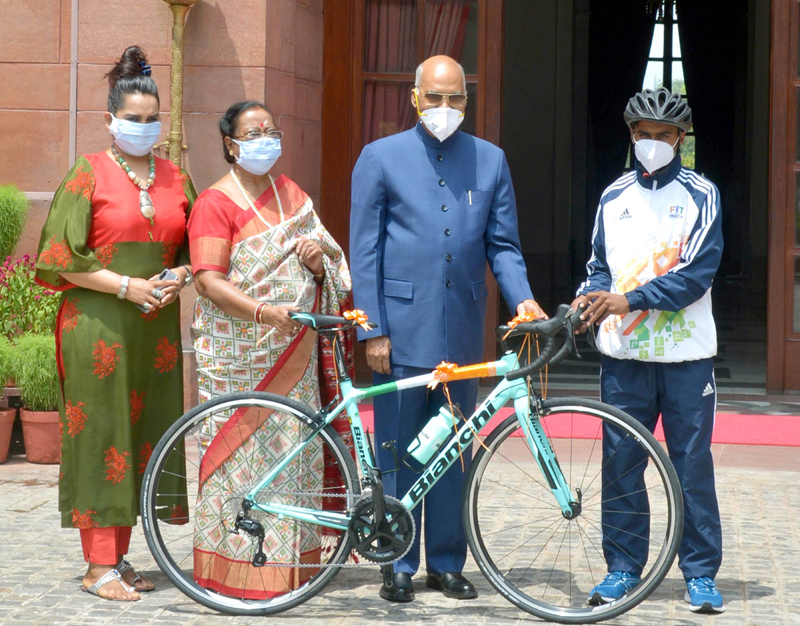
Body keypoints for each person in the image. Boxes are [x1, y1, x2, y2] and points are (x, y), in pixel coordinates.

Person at [349, 55, 546, 603]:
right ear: (414, 98)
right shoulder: (380, 157)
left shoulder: (490, 160)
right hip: (400, 328)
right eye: (433, 98)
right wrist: (373, 331)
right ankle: (397, 560)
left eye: (454, 98)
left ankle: (445, 561)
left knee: (455, 447)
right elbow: (364, 250)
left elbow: (502, 246)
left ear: (468, 99)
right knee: (399, 447)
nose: (444, 108)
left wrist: (524, 300)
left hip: (462, 330)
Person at [35, 46, 195, 602]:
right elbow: (58, 257)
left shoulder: (176, 175)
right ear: (110, 120)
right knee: (103, 434)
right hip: (99, 322)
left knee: (144, 433)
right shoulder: (88, 174)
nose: (144, 128)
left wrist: (179, 275)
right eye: (133, 120)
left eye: (152, 121)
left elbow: (198, 244)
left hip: (155, 326)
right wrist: (127, 285)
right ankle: (96, 565)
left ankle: (120, 556)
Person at [187, 100, 353, 599]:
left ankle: (292, 573)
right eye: (252, 131)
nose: (265, 138)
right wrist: (262, 313)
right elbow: (209, 282)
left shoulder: (293, 195)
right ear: (229, 145)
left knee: (293, 463)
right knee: (237, 466)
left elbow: (334, 270)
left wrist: (317, 261)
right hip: (238, 362)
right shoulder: (214, 203)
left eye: (271, 130)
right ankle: (232, 574)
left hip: (293, 355)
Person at [572, 87, 724, 614]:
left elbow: (695, 276)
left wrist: (627, 298)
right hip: (624, 358)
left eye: (663, 135)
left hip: (687, 358)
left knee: (691, 466)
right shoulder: (613, 197)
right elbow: (598, 267)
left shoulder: (703, 194)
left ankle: (700, 574)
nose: (652, 142)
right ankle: (622, 568)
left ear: (680, 139)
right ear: (630, 135)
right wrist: (586, 301)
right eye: (644, 134)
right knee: (620, 464)